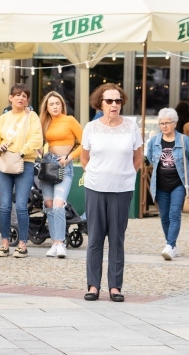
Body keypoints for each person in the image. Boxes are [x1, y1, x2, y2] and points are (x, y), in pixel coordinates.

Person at [81, 83, 143, 302]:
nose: (114, 104)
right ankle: (93, 285)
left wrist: (125, 176)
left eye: (117, 100)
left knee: (117, 239)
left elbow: (137, 158)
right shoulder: (91, 127)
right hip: (95, 188)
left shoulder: (131, 127)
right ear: (100, 103)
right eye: (109, 101)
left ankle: (115, 286)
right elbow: (84, 157)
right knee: (95, 238)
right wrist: (97, 175)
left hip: (122, 189)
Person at [0, 84, 43, 258]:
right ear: (10, 97)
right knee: (4, 206)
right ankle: (5, 243)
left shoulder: (31, 116)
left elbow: (37, 139)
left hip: (25, 163)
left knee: (21, 206)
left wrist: (22, 151)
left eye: (24, 96)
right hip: (4, 164)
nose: (21, 98)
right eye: (17, 95)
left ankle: (22, 244)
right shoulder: (3, 118)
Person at [147, 108, 189, 260]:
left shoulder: (184, 140)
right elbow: (150, 158)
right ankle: (172, 246)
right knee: (164, 216)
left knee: (174, 214)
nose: (164, 126)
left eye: (167, 123)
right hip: (160, 184)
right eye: (161, 123)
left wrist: (183, 169)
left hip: (179, 184)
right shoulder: (154, 141)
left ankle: (169, 245)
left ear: (175, 123)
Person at [39, 91, 83, 258]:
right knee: (49, 204)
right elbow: (39, 142)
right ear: (47, 107)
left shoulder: (70, 120)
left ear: (62, 105)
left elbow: (84, 143)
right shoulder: (44, 122)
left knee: (58, 204)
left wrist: (69, 157)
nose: (55, 106)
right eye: (51, 104)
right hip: (47, 164)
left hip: (64, 164)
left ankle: (61, 242)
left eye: (57, 103)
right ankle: (54, 243)